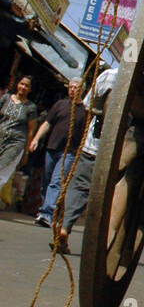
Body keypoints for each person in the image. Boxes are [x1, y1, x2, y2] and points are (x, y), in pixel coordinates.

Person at [52, 64, 117, 253]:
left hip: (92, 145)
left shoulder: (108, 76)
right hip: (118, 152)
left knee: (79, 187)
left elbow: (88, 105)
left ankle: (64, 227)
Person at [30, 79, 86, 226]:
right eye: (71, 87)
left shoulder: (85, 111)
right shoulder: (60, 105)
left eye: (76, 87)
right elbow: (47, 123)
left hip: (69, 153)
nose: (72, 90)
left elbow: (85, 135)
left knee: (56, 182)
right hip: (52, 148)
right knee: (46, 181)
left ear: (82, 90)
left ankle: (46, 213)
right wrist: (36, 139)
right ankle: (45, 210)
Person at [0, 74, 39, 208]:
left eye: (26, 86)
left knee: (2, 172)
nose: (23, 87)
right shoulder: (6, 98)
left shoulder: (30, 107)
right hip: (0, 138)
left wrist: (26, 152)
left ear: (30, 89)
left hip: (15, 144)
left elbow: (30, 131)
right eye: (22, 84)